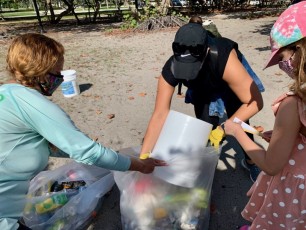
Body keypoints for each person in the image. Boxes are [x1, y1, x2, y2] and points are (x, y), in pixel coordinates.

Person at [0, 33, 166, 230]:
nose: (60, 78)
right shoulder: (31, 102)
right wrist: (139, 165)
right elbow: (85, 151)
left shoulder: (7, 95)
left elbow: (35, 144)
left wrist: (107, 156)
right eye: (57, 71)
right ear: (41, 71)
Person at [140, 17, 264, 182]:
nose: (189, 71)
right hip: (202, 86)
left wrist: (227, 126)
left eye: (192, 67)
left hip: (227, 79)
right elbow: (160, 114)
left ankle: (250, 161)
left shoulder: (224, 58)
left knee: (240, 121)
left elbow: (255, 102)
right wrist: (144, 156)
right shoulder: (170, 68)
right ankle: (208, 164)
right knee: (206, 124)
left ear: (206, 52)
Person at [224, 2, 306, 229]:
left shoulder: (294, 103)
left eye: (282, 58)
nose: (282, 65)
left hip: (297, 192)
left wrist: (237, 131)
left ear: (300, 50)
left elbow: (271, 165)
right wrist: (290, 137)